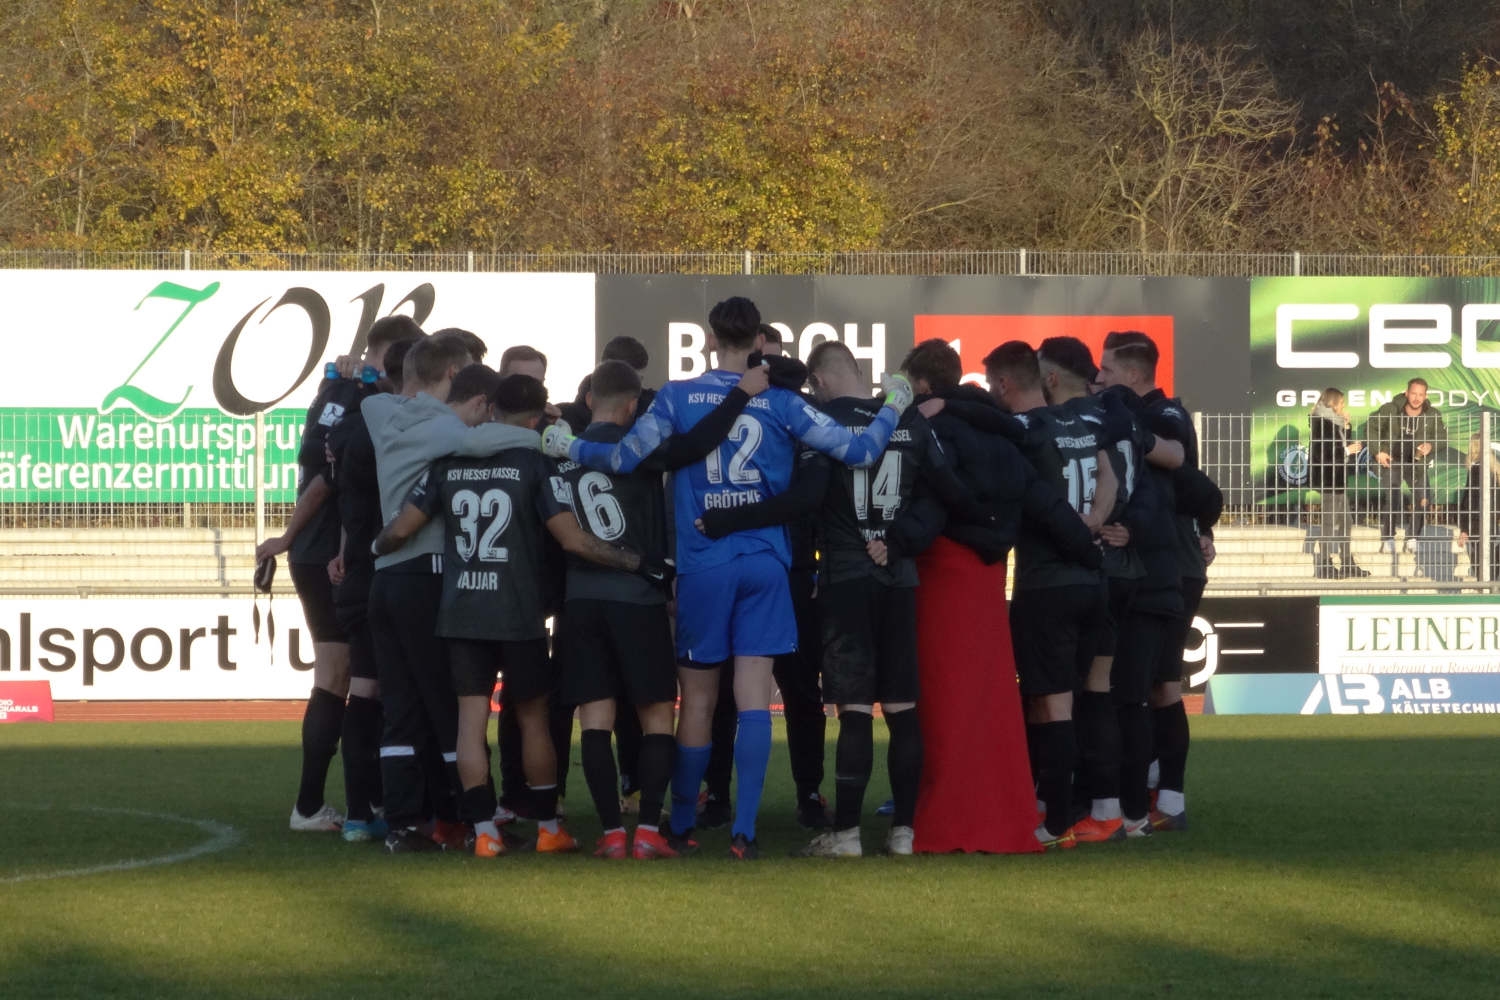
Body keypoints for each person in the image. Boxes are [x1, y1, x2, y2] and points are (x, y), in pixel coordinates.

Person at [544, 296, 914, 859]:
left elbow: (627, 459)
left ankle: (682, 820)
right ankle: (745, 830)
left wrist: (569, 444)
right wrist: (893, 404)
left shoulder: (676, 396)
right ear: (759, 343)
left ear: (710, 339)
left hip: (703, 562)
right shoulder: (783, 401)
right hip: (766, 562)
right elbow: (861, 450)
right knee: (753, 699)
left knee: (697, 699)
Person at [374, 372, 667, 857]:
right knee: (532, 718)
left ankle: (484, 832)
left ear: (492, 409)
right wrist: (637, 563)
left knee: (470, 720)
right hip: (517, 609)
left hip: (462, 610)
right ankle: (549, 828)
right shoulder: (535, 464)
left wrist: (375, 547)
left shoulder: (447, 462)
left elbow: (402, 528)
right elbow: (572, 540)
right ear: (535, 420)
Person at [554, 358, 766, 858]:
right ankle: (649, 830)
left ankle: (611, 833)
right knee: (655, 715)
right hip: (638, 598)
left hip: (581, 600)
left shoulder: (559, 453)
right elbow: (693, 449)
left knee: (595, 717)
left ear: (589, 400)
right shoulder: (645, 452)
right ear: (634, 407)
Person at [907, 339, 1099, 854]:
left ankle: (947, 814)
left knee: (944, 702)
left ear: (923, 385)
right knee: (993, 701)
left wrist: (894, 543)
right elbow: (1044, 502)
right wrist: (1092, 553)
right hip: (990, 578)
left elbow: (932, 501)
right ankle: (1014, 810)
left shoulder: (934, 428)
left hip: (943, 577)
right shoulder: (1008, 435)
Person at [362, 333, 540, 853]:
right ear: (452, 375)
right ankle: (464, 818)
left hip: (385, 576)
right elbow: (487, 442)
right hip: (426, 571)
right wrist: (555, 438)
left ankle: (402, 823)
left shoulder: (378, 411)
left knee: (399, 708)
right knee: (449, 705)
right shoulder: (444, 428)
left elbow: (376, 396)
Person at [982, 341, 1114, 850]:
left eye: (991, 386)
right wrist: (1096, 520)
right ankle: (1054, 806)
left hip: (1048, 584)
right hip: (1091, 582)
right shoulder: (1078, 420)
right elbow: (1109, 472)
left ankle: (1058, 823)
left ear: (1004, 385)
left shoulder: (1024, 430)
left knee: (1053, 705)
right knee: (1059, 701)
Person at [1096, 331, 1207, 833]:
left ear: (1134, 374)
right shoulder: (1139, 413)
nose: (1101, 379)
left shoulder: (1165, 415)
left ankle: (1160, 800)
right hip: (1159, 561)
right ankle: (1159, 795)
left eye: (1108, 370)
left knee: (1153, 687)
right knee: (1153, 686)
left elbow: (1176, 462)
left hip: (1171, 567)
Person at [322, 316, 424, 841]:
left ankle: (359, 813)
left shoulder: (350, 427)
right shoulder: (406, 426)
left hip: (359, 571)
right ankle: (409, 808)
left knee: (363, 690)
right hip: (397, 569)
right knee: (403, 694)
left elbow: (342, 494)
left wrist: (343, 549)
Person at [1368, 378, 1447, 553]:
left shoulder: (1432, 414)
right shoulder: (1390, 409)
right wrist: (1378, 451)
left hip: (1416, 464)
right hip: (1393, 462)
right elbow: (1371, 428)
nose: (1417, 398)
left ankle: (1412, 537)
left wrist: (1431, 445)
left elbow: (1442, 438)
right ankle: (1388, 537)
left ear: (1425, 396)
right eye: (1413, 394)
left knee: (1423, 499)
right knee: (1393, 498)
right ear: (1406, 393)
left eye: (1421, 394)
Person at [1308, 389, 1369, 579]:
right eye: (1341, 403)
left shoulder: (1333, 421)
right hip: (1328, 479)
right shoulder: (1321, 422)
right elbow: (1324, 453)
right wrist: (1347, 450)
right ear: (1333, 403)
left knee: (1346, 522)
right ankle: (1324, 564)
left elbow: (1340, 444)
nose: (1343, 406)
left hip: (1338, 479)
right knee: (1329, 522)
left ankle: (1347, 563)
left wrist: (1347, 427)